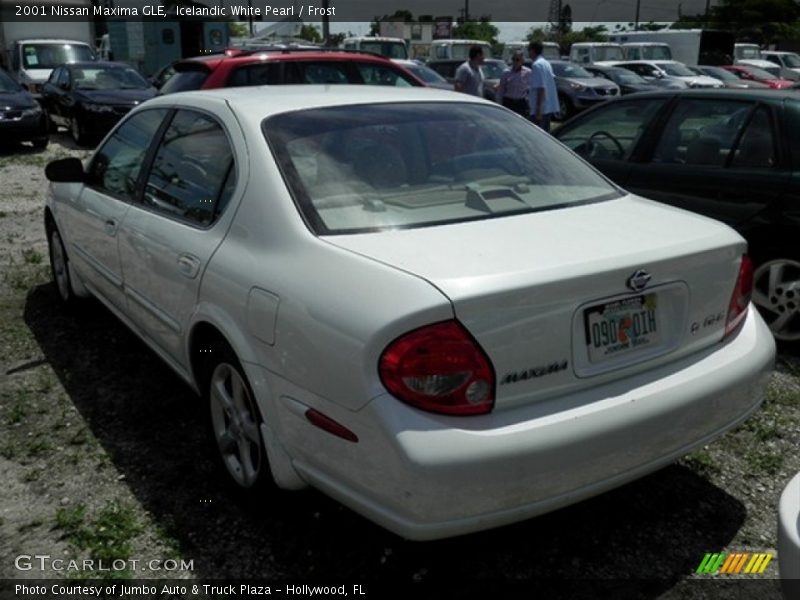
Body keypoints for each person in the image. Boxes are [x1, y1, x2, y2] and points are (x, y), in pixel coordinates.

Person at [527, 41, 559, 132]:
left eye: (528, 50)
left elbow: (541, 87)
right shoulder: (546, 63)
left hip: (540, 109)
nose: (528, 53)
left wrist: (538, 109)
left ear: (532, 51)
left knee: (536, 135)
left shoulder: (537, 65)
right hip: (548, 107)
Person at [496, 51, 530, 117]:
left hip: (521, 103)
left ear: (522, 61)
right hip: (508, 102)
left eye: (517, 60)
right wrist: (499, 104)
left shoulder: (528, 73)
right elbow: (501, 90)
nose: (515, 62)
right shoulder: (506, 72)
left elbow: (530, 89)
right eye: (513, 59)